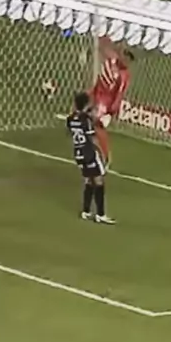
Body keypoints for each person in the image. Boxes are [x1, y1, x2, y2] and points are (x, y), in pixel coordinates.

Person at [66, 92, 115, 225]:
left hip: (78, 153)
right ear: (86, 105)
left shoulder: (70, 119)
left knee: (88, 180)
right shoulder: (86, 120)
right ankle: (100, 214)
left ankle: (86, 211)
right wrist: (104, 154)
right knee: (99, 181)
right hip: (89, 153)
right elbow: (93, 139)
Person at [90, 36, 134, 163]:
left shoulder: (124, 75)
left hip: (105, 103)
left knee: (97, 126)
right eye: (125, 57)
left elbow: (120, 94)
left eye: (128, 60)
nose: (126, 61)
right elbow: (104, 48)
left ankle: (104, 155)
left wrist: (111, 111)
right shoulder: (113, 58)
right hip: (96, 94)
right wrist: (103, 37)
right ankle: (95, 149)